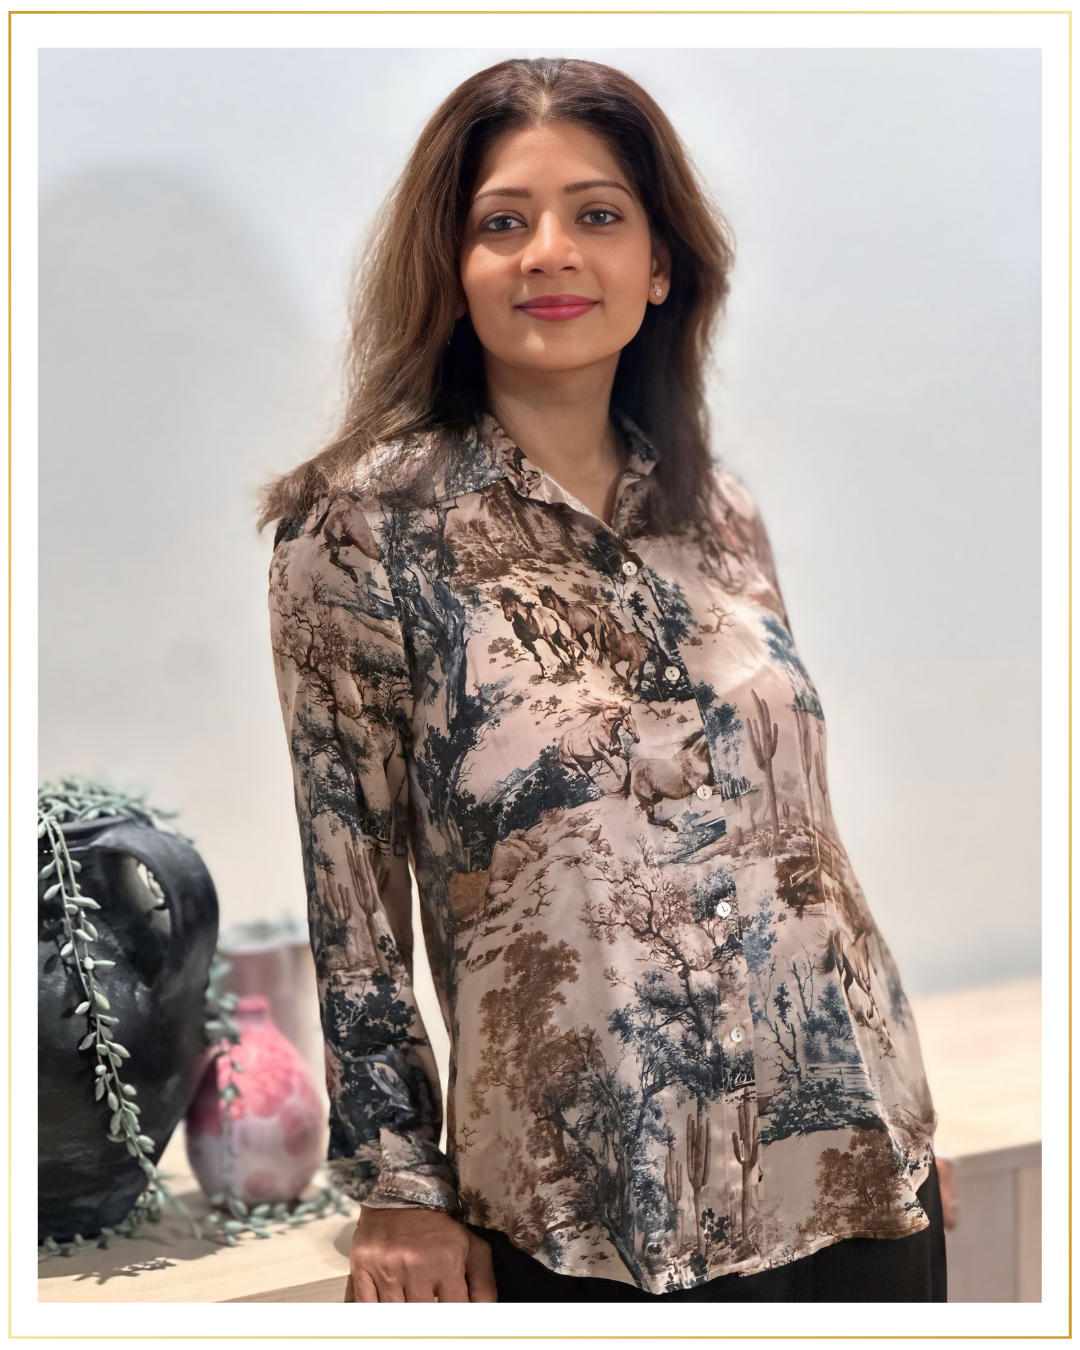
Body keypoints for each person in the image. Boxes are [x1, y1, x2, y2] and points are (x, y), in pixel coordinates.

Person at [262, 57, 946, 1306]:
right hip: (597, 1218)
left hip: (851, 1172)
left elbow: (797, 838)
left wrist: (891, 1121)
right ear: (452, 271)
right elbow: (349, 888)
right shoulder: (359, 532)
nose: (550, 254)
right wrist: (400, 1183)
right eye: (502, 224)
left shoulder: (721, 510)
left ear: (661, 263)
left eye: (598, 215)